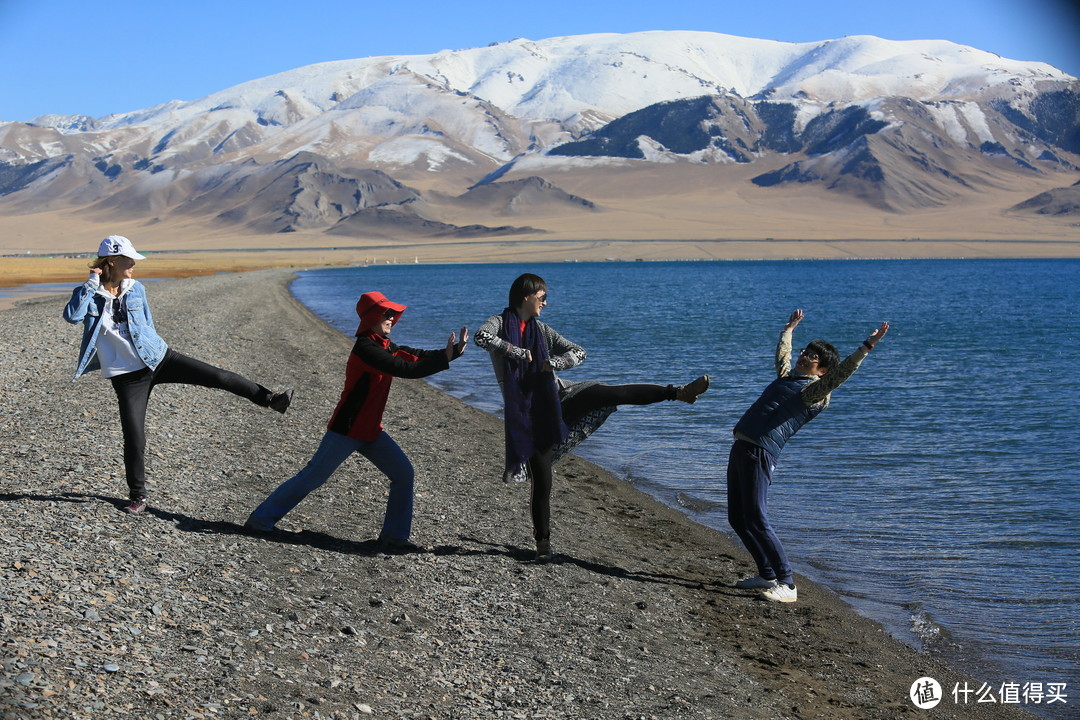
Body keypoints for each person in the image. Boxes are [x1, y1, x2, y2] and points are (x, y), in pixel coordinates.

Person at [475, 272, 710, 561]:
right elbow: (481, 337)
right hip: (527, 419)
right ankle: (543, 545)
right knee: (543, 482)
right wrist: (518, 352)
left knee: (608, 392)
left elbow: (579, 352)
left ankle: (678, 392)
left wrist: (556, 362)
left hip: (558, 400)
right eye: (543, 297)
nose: (546, 303)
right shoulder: (499, 323)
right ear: (527, 296)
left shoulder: (543, 330)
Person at [63, 235, 294, 515]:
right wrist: (90, 284)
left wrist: (153, 348)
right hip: (127, 376)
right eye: (128, 259)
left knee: (218, 377)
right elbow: (73, 316)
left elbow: (146, 324)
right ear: (112, 260)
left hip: (159, 358)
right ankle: (138, 497)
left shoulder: (136, 289)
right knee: (134, 436)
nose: (134, 264)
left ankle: (271, 399)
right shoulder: (89, 294)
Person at [245, 291, 468, 551]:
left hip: (370, 431)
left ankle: (394, 538)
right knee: (312, 477)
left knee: (404, 474)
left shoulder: (384, 344)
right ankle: (260, 520)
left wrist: (451, 353)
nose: (392, 318)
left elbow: (415, 356)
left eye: (393, 314)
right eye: (386, 314)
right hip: (348, 429)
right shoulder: (366, 348)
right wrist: (445, 359)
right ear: (373, 316)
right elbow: (405, 369)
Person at [728, 309, 889, 603]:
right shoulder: (788, 378)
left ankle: (787, 584)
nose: (804, 357)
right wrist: (788, 330)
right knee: (737, 518)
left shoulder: (812, 392)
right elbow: (782, 356)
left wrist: (866, 347)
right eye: (806, 352)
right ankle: (766, 574)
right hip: (742, 446)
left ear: (822, 370)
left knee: (757, 518)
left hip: (760, 452)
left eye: (812, 357)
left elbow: (841, 375)